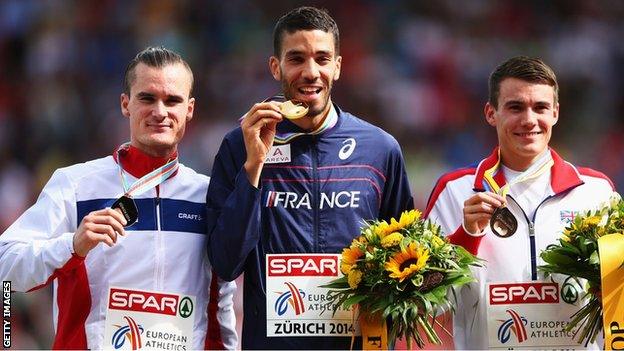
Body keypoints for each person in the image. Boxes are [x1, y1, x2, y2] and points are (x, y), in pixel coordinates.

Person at [0, 46, 237, 350]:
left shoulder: (207, 194)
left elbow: (221, 299)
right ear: (126, 104)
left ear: (189, 109)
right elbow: (6, 264)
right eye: (147, 98)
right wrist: (72, 246)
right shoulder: (76, 184)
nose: (160, 112)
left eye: (172, 100)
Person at [206, 6, 414, 350]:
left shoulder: (380, 149)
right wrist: (253, 167)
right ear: (276, 67)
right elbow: (226, 264)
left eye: (322, 58)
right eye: (297, 59)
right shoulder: (241, 145)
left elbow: (406, 261)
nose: (310, 71)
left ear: (338, 67)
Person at [424, 56, 616, 349]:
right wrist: (466, 235)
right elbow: (428, 303)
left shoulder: (596, 191)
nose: (529, 120)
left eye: (540, 107)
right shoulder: (455, 190)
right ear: (491, 113)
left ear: (555, 113)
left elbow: (619, 298)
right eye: (515, 107)